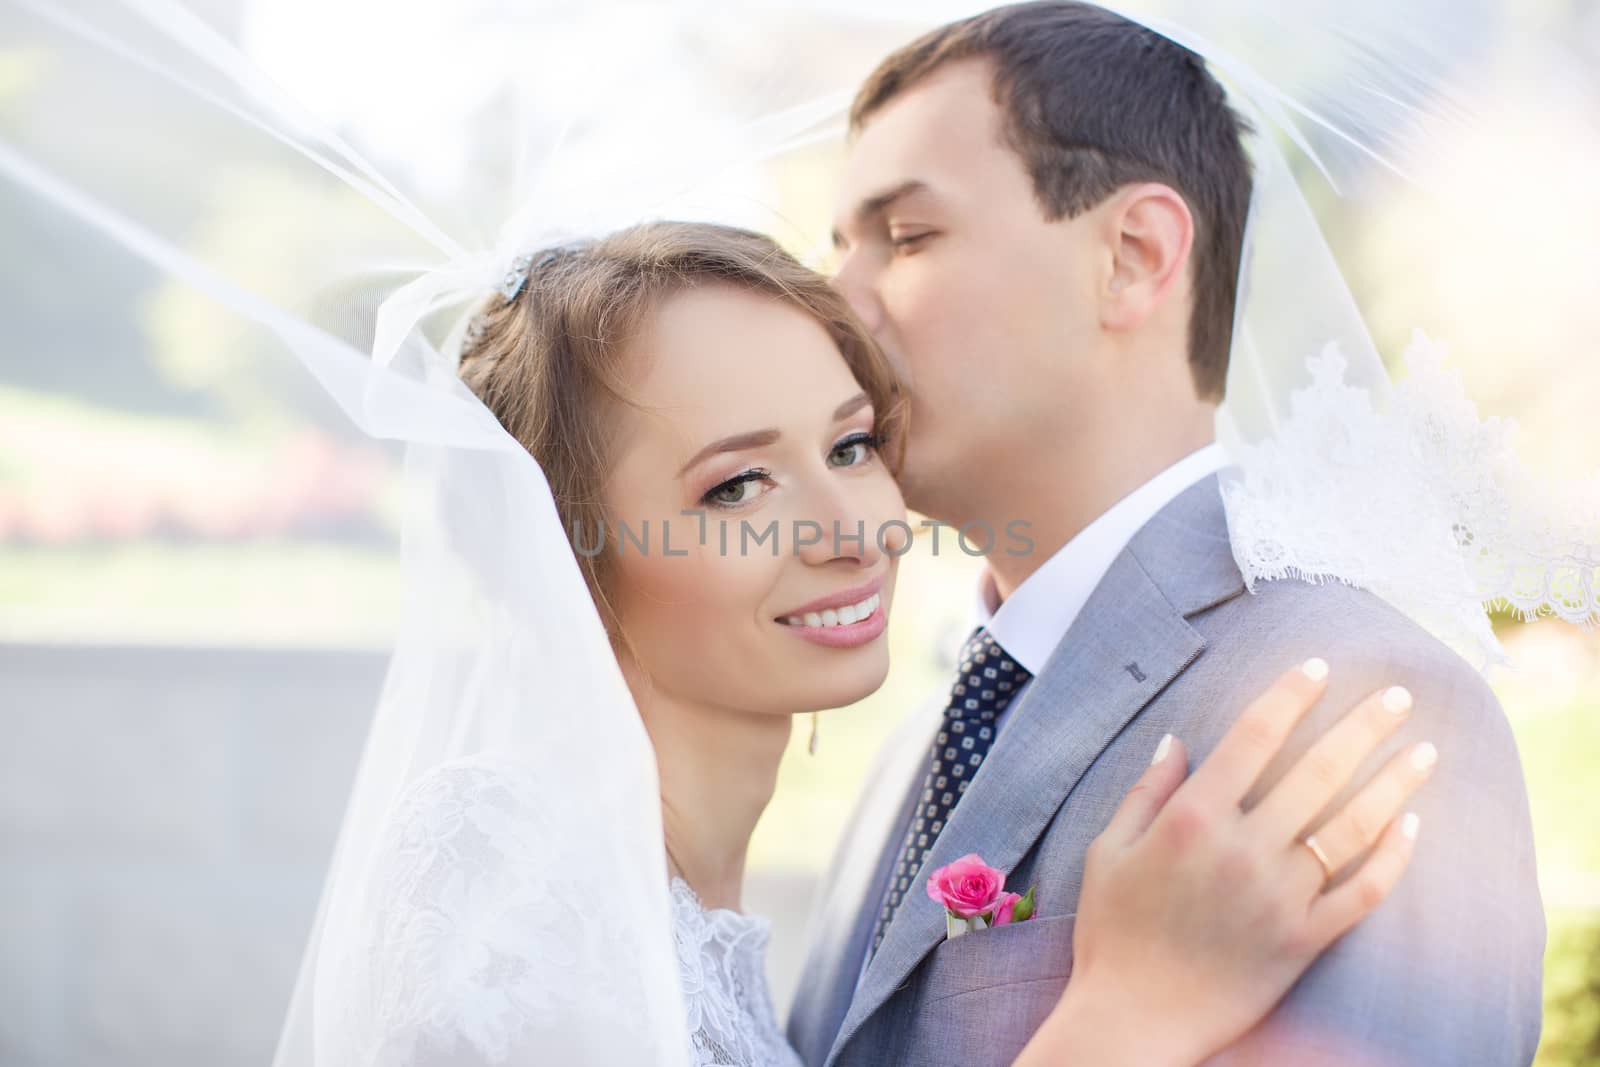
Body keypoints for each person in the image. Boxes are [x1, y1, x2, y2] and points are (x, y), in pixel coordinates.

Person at [400, 220, 1434, 1066]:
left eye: (851, 445)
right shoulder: (518, 903)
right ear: (563, 553)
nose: (861, 528)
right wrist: (1124, 1016)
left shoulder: (667, 887)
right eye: (736, 484)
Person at [790, 4, 1545, 1065]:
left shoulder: (1348, 705)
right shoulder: (913, 744)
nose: (832, 302)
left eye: (907, 236)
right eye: (838, 247)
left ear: (1134, 255)